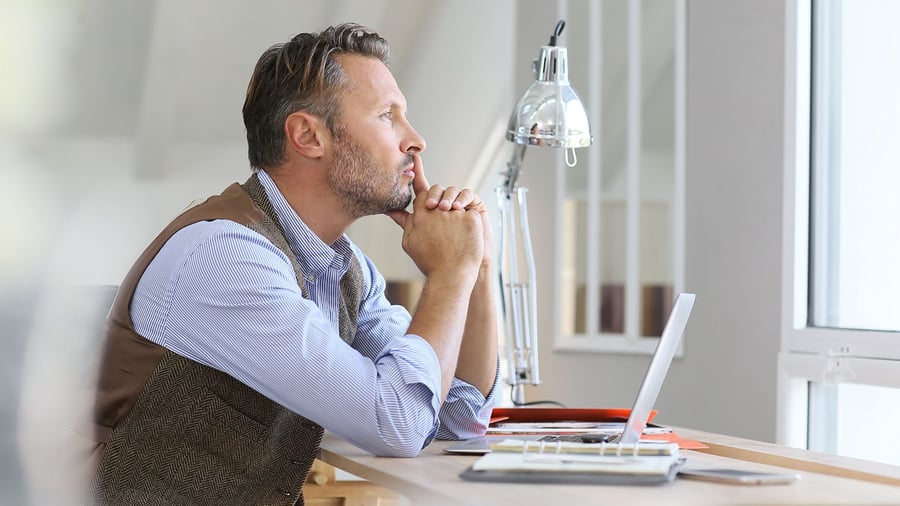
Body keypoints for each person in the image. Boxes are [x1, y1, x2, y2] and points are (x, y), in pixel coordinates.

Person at [75, 22, 499, 505]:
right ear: (307, 136)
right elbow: (398, 422)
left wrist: (478, 267)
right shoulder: (225, 256)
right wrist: (450, 273)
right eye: (388, 116)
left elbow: (456, 419)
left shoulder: (347, 270)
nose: (416, 140)